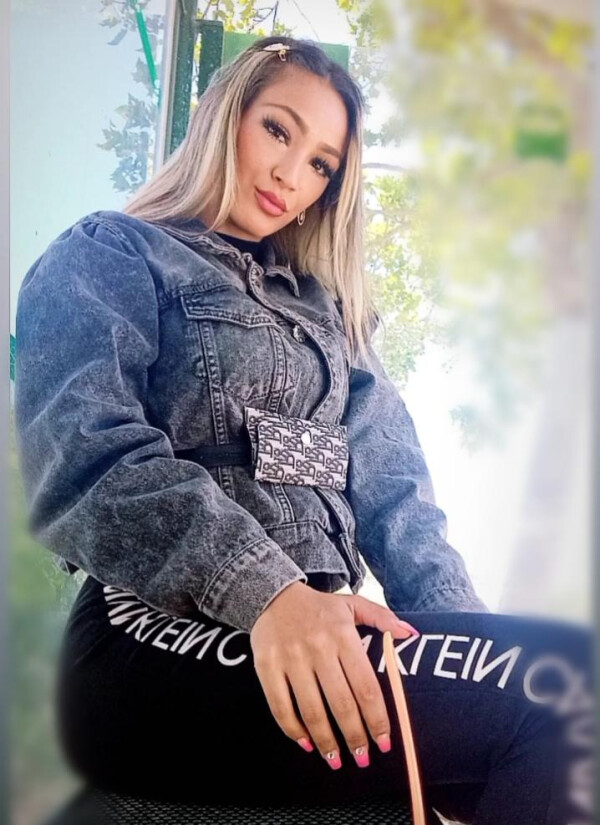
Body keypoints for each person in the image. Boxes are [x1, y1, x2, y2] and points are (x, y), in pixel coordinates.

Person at [14, 36, 594, 824]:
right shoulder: (111, 252)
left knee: (568, 690)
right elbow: (84, 457)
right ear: (225, 115)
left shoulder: (332, 318)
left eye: (322, 163)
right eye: (277, 130)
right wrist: (270, 593)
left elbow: (400, 508)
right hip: (151, 630)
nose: (292, 174)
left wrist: (470, 651)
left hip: (324, 630)